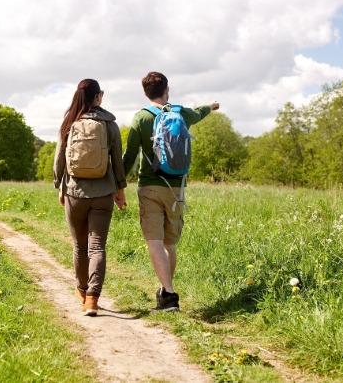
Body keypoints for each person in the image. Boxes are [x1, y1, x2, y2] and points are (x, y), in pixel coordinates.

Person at [122, 71, 219, 311]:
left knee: (153, 241)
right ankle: (166, 290)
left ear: (145, 92)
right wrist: (211, 106)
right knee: (169, 243)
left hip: (150, 187)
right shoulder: (181, 113)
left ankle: (170, 295)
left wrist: (118, 184)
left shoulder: (141, 118)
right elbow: (199, 113)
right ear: (167, 90)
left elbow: (130, 156)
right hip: (177, 189)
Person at [54, 79, 128, 316]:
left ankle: (82, 290)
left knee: (79, 246)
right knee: (97, 247)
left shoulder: (69, 122)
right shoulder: (109, 124)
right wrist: (120, 190)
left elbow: (59, 159)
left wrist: (60, 186)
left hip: (75, 191)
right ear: (98, 97)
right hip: (103, 192)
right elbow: (117, 160)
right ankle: (93, 300)